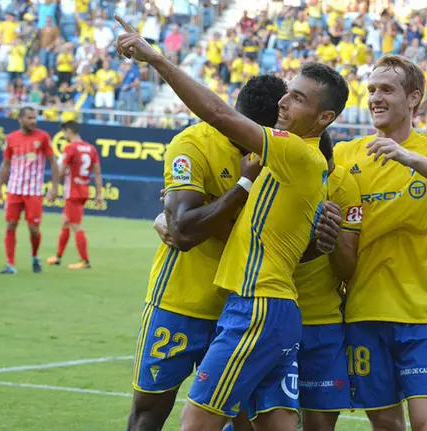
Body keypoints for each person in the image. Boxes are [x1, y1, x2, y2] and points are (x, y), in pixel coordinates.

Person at [114, 16, 347, 431]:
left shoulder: (291, 153)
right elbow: (190, 229)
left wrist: (156, 60)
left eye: (296, 99)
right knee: (270, 424)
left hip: (254, 305)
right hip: (222, 302)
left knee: (199, 423)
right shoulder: (206, 146)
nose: (284, 105)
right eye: (286, 96)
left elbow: (219, 113)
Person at [127, 75, 287, 431]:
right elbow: (183, 231)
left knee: (245, 420)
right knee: (149, 410)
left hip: (243, 309)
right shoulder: (192, 144)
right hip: (180, 302)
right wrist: (244, 185)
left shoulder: (281, 152)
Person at [333, 55, 427, 431]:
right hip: (362, 313)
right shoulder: (346, 154)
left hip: (420, 315)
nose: (375, 98)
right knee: (385, 424)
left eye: (386, 90)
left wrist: (409, 157)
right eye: (371, 90)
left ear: (413, 98)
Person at [293, 130, 361, 431]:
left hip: (322, 322)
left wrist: (331, 240)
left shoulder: (343, 183)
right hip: (270, 316)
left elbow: (347, 269)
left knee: (320, 424)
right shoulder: (273, 173)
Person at [0, 107, 60, 274]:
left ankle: (35, 256)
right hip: (14, 189)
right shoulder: (11, 138)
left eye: (35, 118)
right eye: (30, 118)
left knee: (33, 228)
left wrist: (54, 187)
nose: (33, 121)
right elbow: (6, 164)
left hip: (34, 191)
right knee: (10, 224)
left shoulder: (43, 137)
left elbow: (53, 162)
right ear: (20, 119)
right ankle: (10, 264)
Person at [46, 121, 103, 269]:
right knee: (65, 221)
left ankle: (85, 260)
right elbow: (97, 173)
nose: (63, 136)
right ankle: (58, 257)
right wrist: (99, 194)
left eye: (64, 132)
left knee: (76, 225)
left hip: (73, 191)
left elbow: (62, 168)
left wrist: (54, 189)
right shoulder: (91, 149)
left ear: (69, 131)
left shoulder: (70, 148)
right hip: (84, 190)